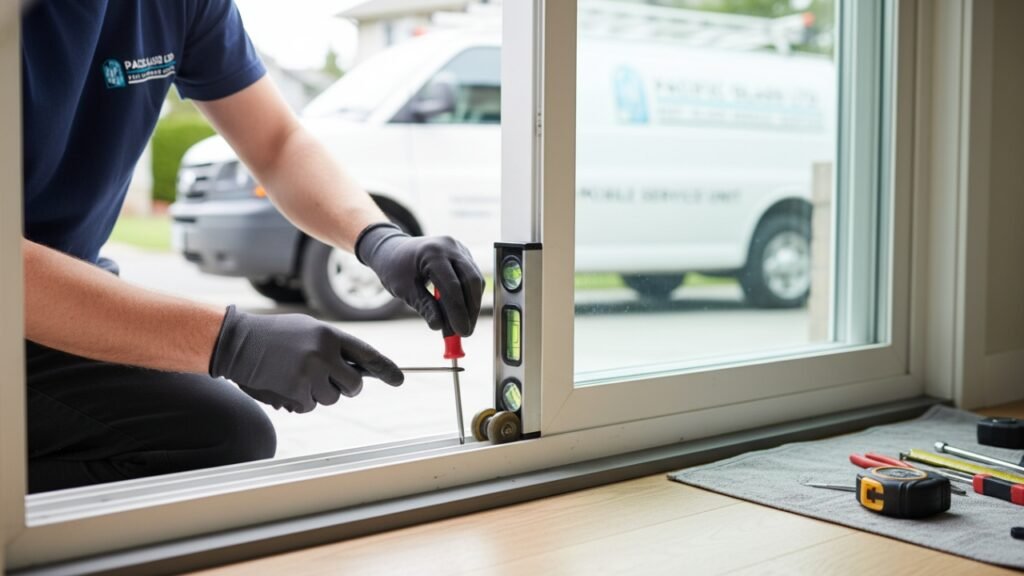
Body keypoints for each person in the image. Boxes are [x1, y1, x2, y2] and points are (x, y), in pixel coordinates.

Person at [22, 1, 485, 493]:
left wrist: (379, 239)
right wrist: (232, 343)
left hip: (62, 303)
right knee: (222, 439)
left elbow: (276, 143)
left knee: (217, 437)